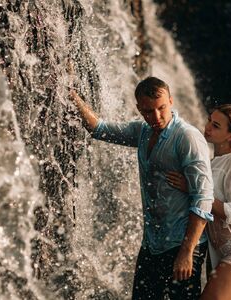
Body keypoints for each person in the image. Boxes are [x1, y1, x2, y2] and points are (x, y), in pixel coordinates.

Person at [69, 77, 214, 299]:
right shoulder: (143, 132)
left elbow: (203, 198)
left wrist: (187, 251)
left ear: (171, 101)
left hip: (183, 244)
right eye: (148, 111)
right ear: (139, 108)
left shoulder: (187, 137)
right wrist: (71, 93)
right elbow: (98, 129)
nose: (156, 117)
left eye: (161, 108)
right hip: (152, 244)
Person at [167, 104, 231, 300]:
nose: (208, 126)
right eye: (210, 120)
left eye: (216, 125)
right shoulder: (211, 163)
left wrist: (194, 188)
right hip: (219, 252)